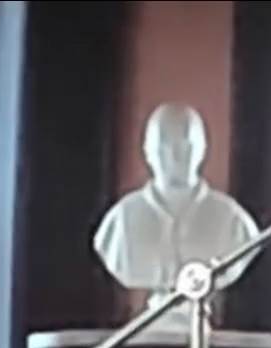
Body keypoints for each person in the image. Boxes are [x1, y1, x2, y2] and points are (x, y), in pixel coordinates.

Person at [93, 102, 261, 330]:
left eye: (185, 145)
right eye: (164, 145)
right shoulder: (121, 221)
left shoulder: (232, 221)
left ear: (202, 149)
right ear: (147, 150)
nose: (174, 156)